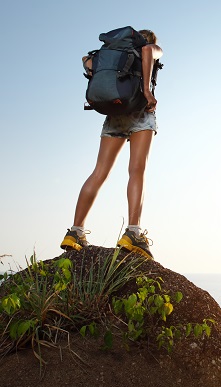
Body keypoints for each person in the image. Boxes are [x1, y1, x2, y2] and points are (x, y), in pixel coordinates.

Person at [60, 29, 163, 259]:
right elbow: (148, 50)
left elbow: (86, 60)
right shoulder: (151, 47)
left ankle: (75, 232)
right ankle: (133, 233)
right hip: (140, 113)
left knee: (99, 172)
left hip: (115, 112)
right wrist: (146, 91)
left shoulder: (115, 53)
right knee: (136, 170)